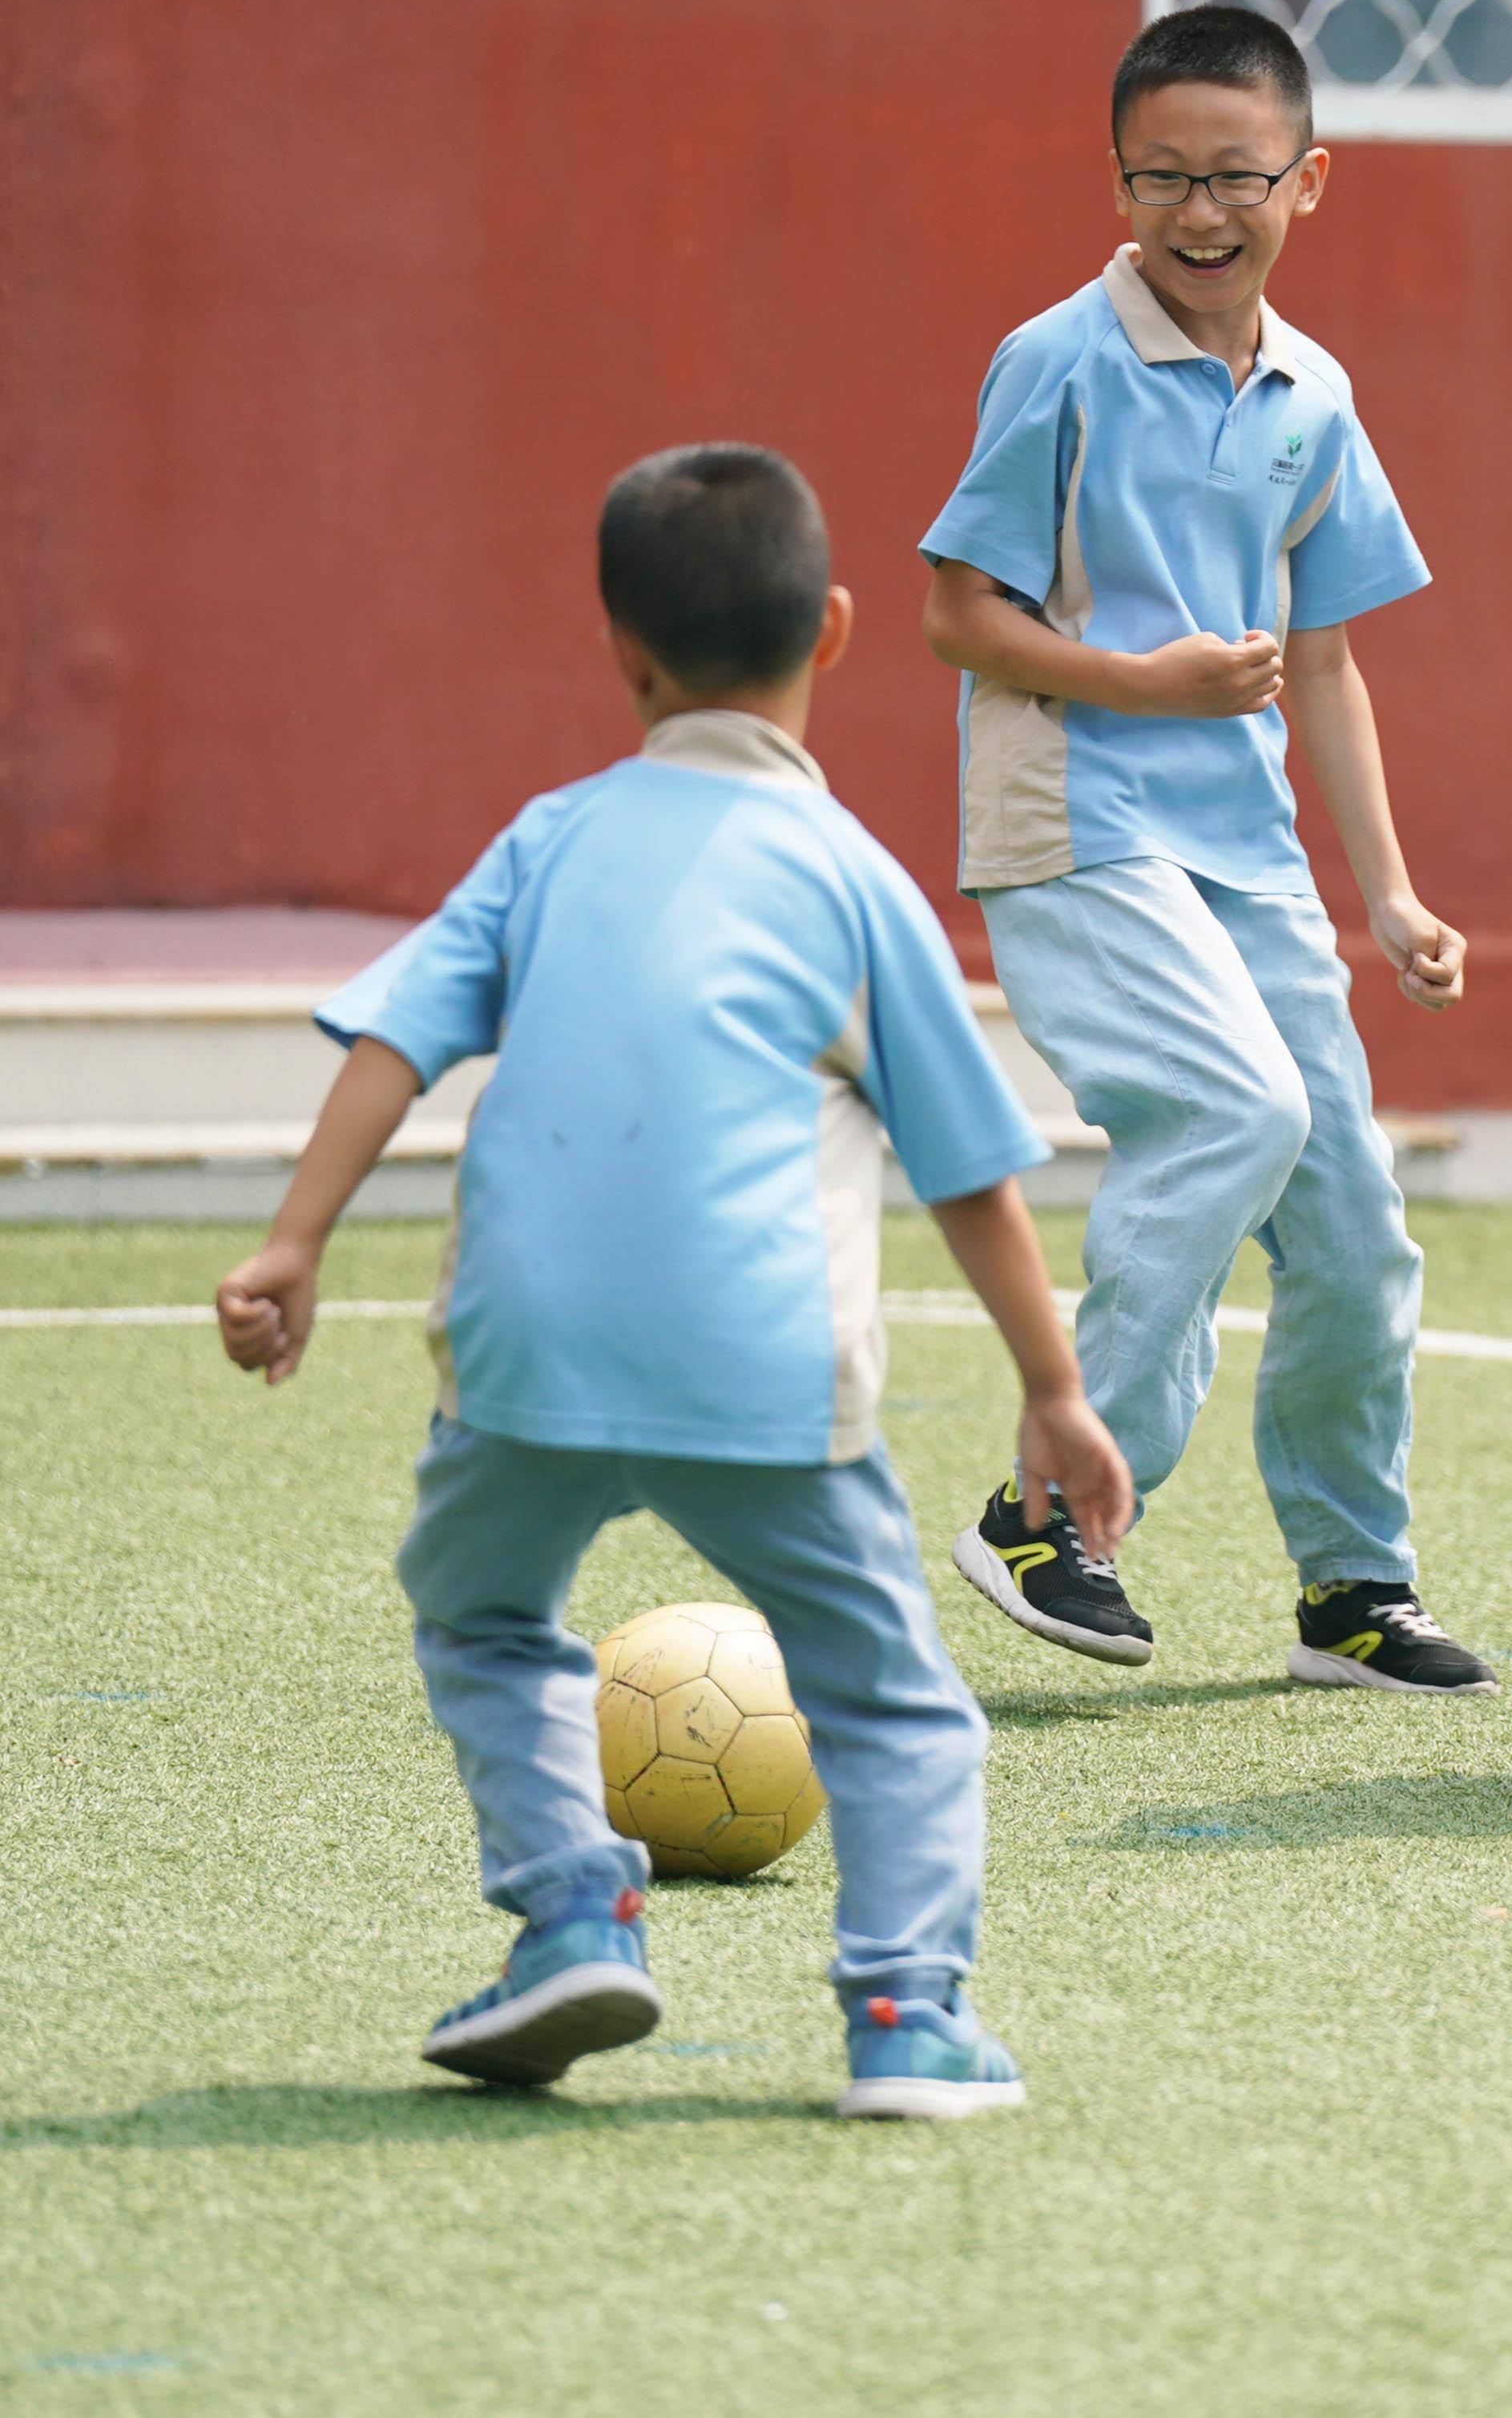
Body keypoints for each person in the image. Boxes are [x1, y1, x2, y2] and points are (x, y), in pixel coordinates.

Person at [212, 445, 1132, 2118]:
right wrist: (1055, 1389)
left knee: (486, 1613)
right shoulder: (855, 878)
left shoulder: (548, 840)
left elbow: (395, 1039)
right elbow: (968, 1169)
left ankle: (571, 1902)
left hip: (521, 1361)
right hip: (759, 1371)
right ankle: (906, 2016)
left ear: (622, 650)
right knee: (884, 1689)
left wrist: (295, 1238)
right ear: (839, 631)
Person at [917, 4, 1489, 1693]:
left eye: (1235, 177)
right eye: (1159, 177)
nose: (1197, 213)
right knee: (1238, 1106)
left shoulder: (1315, 392)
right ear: (1120, 183)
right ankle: (1055, 1509)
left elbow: (1323, 655)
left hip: (1247, 847)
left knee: (1355, 1219)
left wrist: (1387, 890)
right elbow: (959, 611)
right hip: (1077, 819)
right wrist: (1140, 683)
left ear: (1310, 182)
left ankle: (1351, 1589)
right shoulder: (1059, 362)